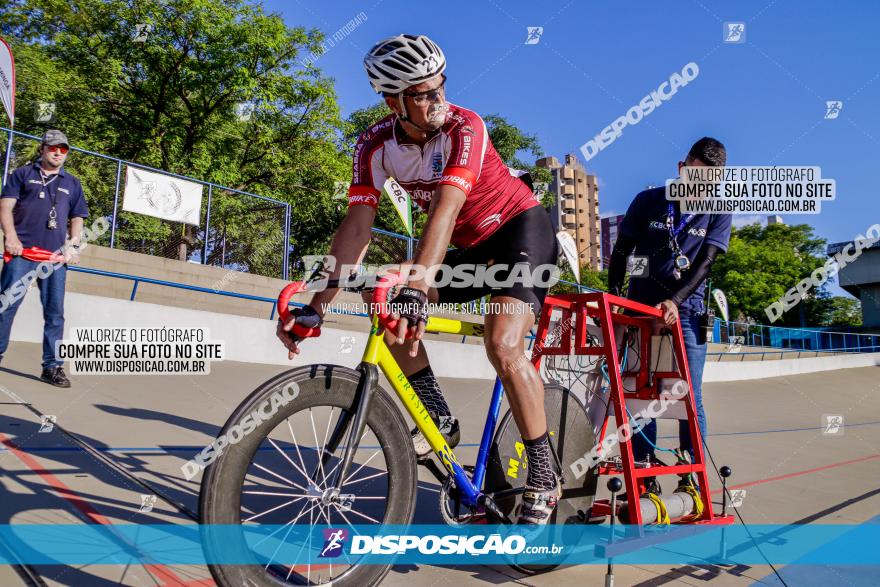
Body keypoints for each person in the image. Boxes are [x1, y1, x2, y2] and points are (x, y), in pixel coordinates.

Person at [277, 34, 561, 524]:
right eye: (425, 93)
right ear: (394, 100)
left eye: (440, 86)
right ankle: (439, 417)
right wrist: (317, 304)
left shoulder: (465, 126)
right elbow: (356, 227)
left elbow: (447, 212)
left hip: (522, 232)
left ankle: (544, 473)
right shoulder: (373, 145)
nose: (438, 100)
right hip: (474, 250)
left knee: (503, 343)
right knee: (379, 290)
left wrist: (418, 289)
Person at [607, 137, 731, 493]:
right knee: (640, 392)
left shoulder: (718, 210)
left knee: (689, 394)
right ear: (682, 168)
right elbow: (621, 252)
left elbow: (705, 263)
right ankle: (644, 471)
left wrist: (676, 301)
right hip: (639, 310)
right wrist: (616, 298)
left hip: (687, 313)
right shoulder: (648, 201)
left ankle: (690, 471)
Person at [0, 130, 89, 387]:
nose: (58, 152)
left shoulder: (72, 183)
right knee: (6, 306)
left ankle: (52, 367)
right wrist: (11, 238)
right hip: (22, 254)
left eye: (63, 149)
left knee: (55, 314)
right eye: (53, 148)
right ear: (43, 149)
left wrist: (73, 246)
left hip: (54, 259)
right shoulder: (22, 174)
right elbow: (5, 207)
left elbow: (77, 218)